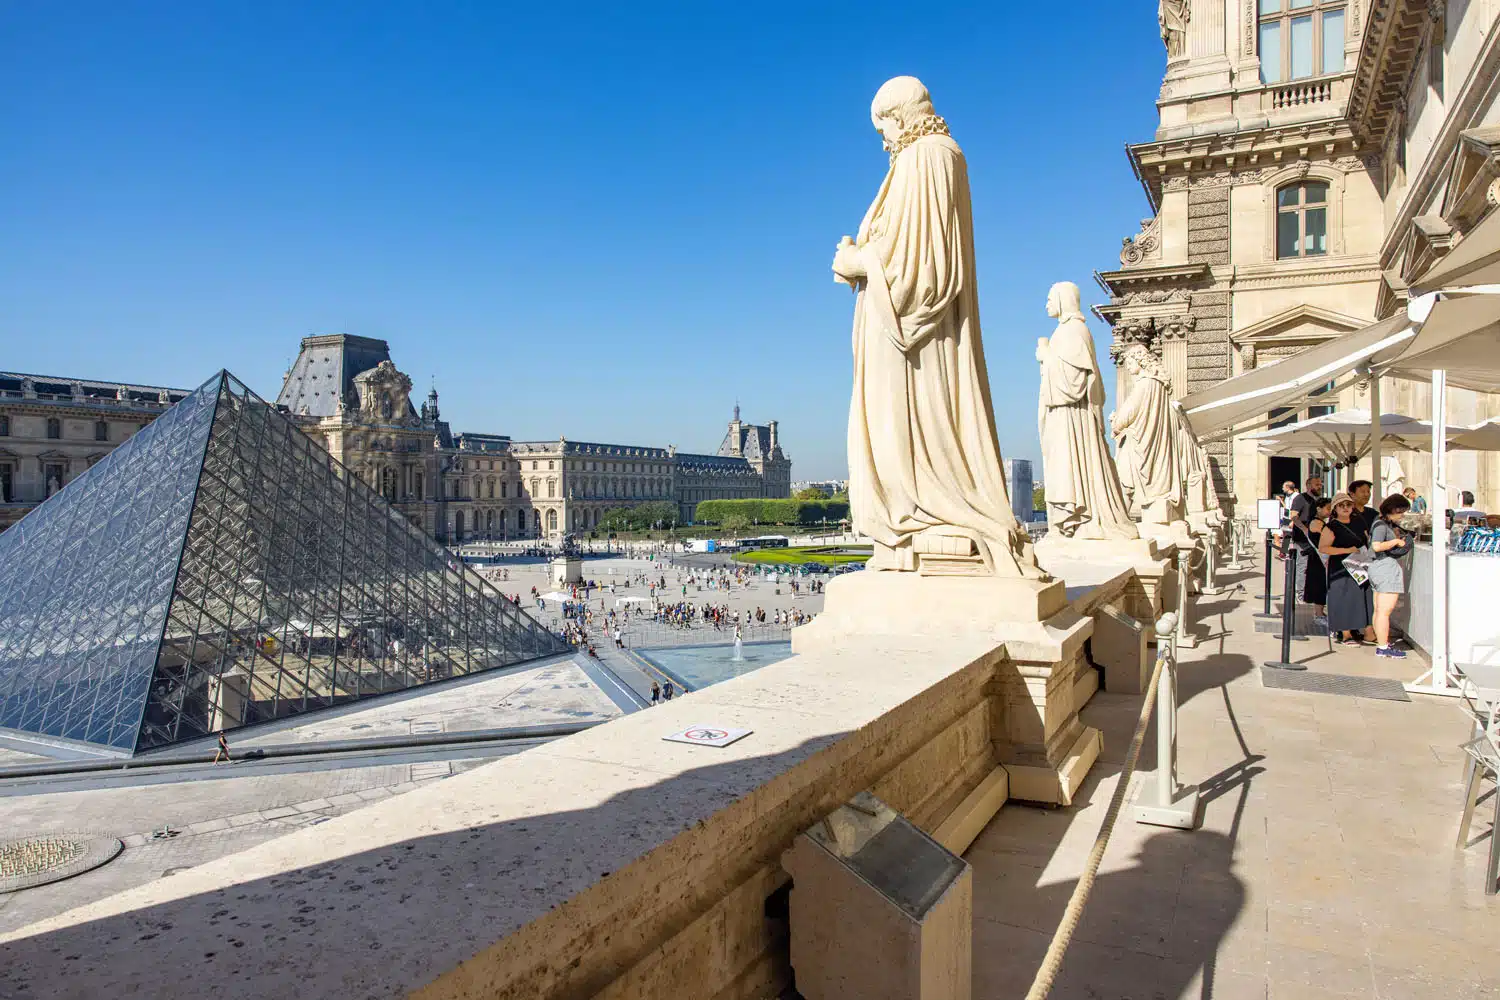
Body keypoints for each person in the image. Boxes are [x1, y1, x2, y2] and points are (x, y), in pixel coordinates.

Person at [1319, 493, 1374, 645]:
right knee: (1343, 598)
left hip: (1359, 565)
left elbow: (1366, 540)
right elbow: (1323, 548)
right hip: (1340, 567)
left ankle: (1367, 631)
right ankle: (1345, 634)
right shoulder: (1331, 527)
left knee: (1363, 596)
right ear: (1335, 508)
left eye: (1348, 505)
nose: (1345, 508)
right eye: (1341, 505)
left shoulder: (1359, 522)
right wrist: (1346, 550)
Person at [1369, 493, 1414, 658]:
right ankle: (1383, 647)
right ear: (1393, 509)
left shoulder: (1379, 522)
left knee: (1378, 610)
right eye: (1401, 512)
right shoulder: (1382, 526)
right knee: (1384, 611)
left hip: (1377, 567)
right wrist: (1396, 541)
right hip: (1385, 568)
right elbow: (1376, 546)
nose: (1402, 515)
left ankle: (1381, 643)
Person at [1299, 496, 1332, 628]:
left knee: (1321, 586)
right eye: (1328, 508)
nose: (1330, 511)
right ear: (1319, 509)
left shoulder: (1319, 522)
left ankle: (1320, 613)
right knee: (1320, 586)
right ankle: (1318, 614)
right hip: (1319, 558)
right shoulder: (1316, 523)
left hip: (1319, 558)